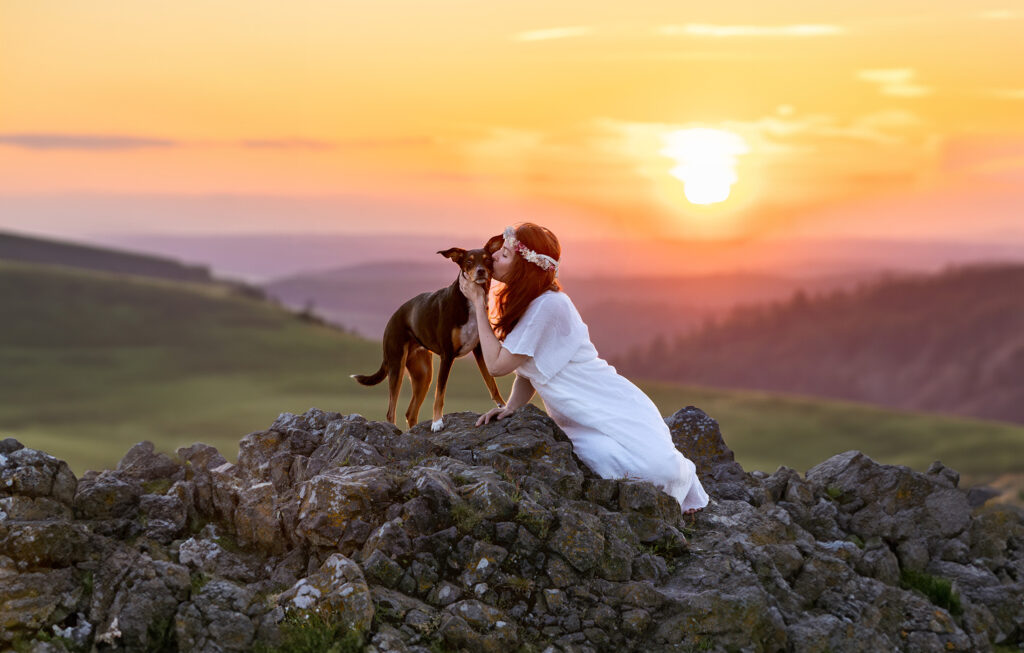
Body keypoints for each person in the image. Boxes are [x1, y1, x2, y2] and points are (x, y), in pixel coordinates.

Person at [458, 223, 709, 514]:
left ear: (525, 265)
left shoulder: (550, 306)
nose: (493, 259)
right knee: (612, 461)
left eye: (503, 254)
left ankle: (680, 486)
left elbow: (497, 365)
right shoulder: (530, 303)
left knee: (661, 471)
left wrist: (478, 303)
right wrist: (511, 408)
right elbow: (529, 366)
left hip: (603, 399)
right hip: (580, 413)